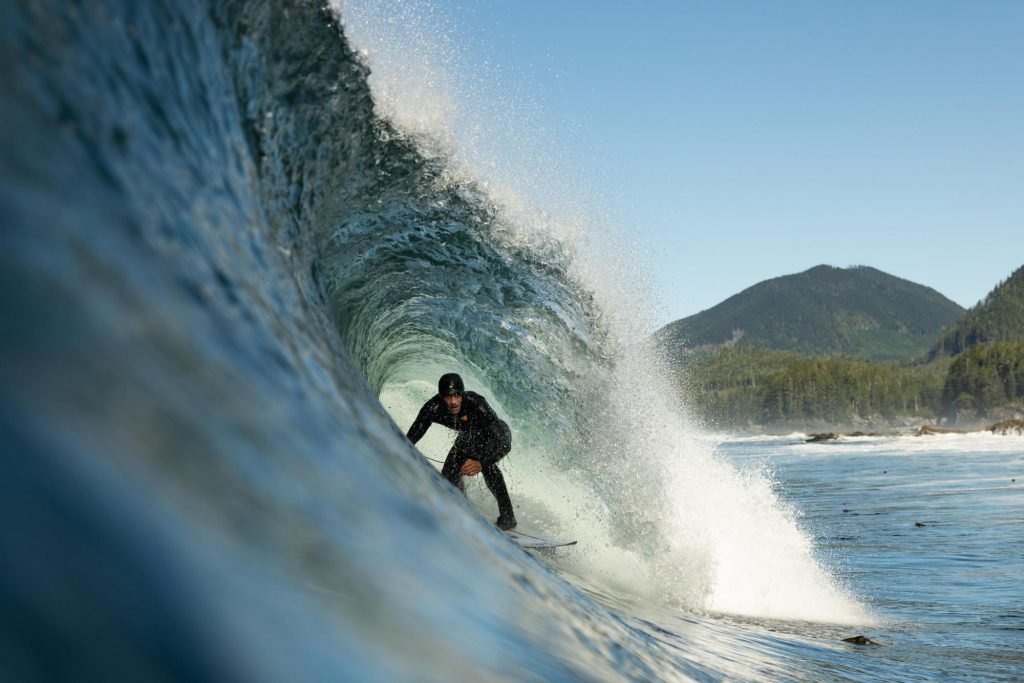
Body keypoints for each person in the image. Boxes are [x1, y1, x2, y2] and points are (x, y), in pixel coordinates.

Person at [406, 373, 517, 530]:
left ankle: (508, 518)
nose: (453, 402)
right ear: (441, 397)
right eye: (448, 397)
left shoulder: (476, 404)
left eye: (457, 395)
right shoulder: (433, 408)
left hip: (496, 436)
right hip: (470, 437)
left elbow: (504, 444)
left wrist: (480, 463)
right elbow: (410, 439)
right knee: (448, 476)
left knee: (487, 465)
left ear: (462, 394)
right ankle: (461, 506)